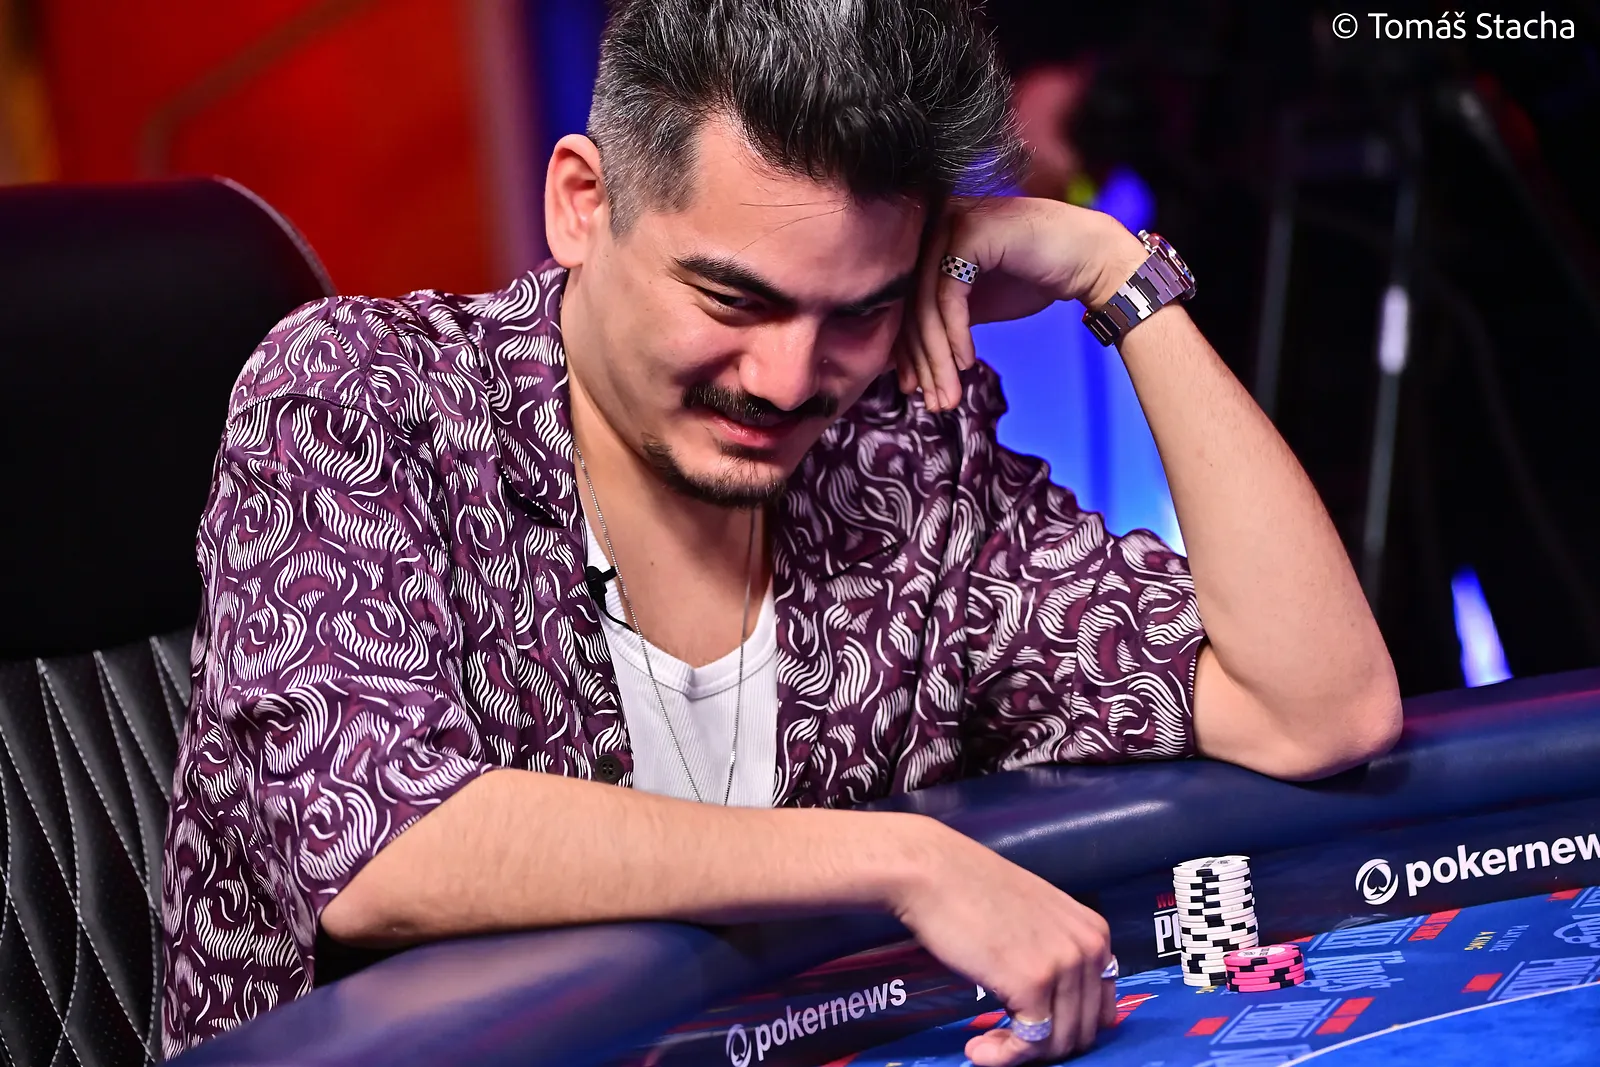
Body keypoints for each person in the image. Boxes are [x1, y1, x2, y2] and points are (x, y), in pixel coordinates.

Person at [160, 0, 1402, 1060]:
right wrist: (901, 859)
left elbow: (1318, 708)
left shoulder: (896, 454)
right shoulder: (361, 393)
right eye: (731, 298)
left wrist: (1112, 273)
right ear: (583, 203)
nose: (789, 379)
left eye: (858, 311)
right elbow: (386, 845)